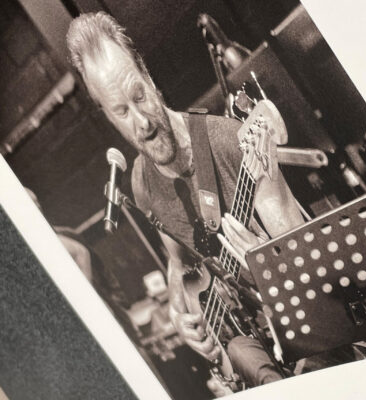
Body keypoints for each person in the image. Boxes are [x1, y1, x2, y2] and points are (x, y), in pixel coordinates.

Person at [66, 12, 304, 391]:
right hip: (253, 357)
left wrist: (268, 263)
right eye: (121, 112)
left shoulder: (233, 142)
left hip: (303, 342)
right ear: (106, 116)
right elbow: (178, 262)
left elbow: (317, 273)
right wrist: (182, 312)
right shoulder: (141, 182)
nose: (141, 124)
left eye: (138, 96)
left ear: (150, 77)